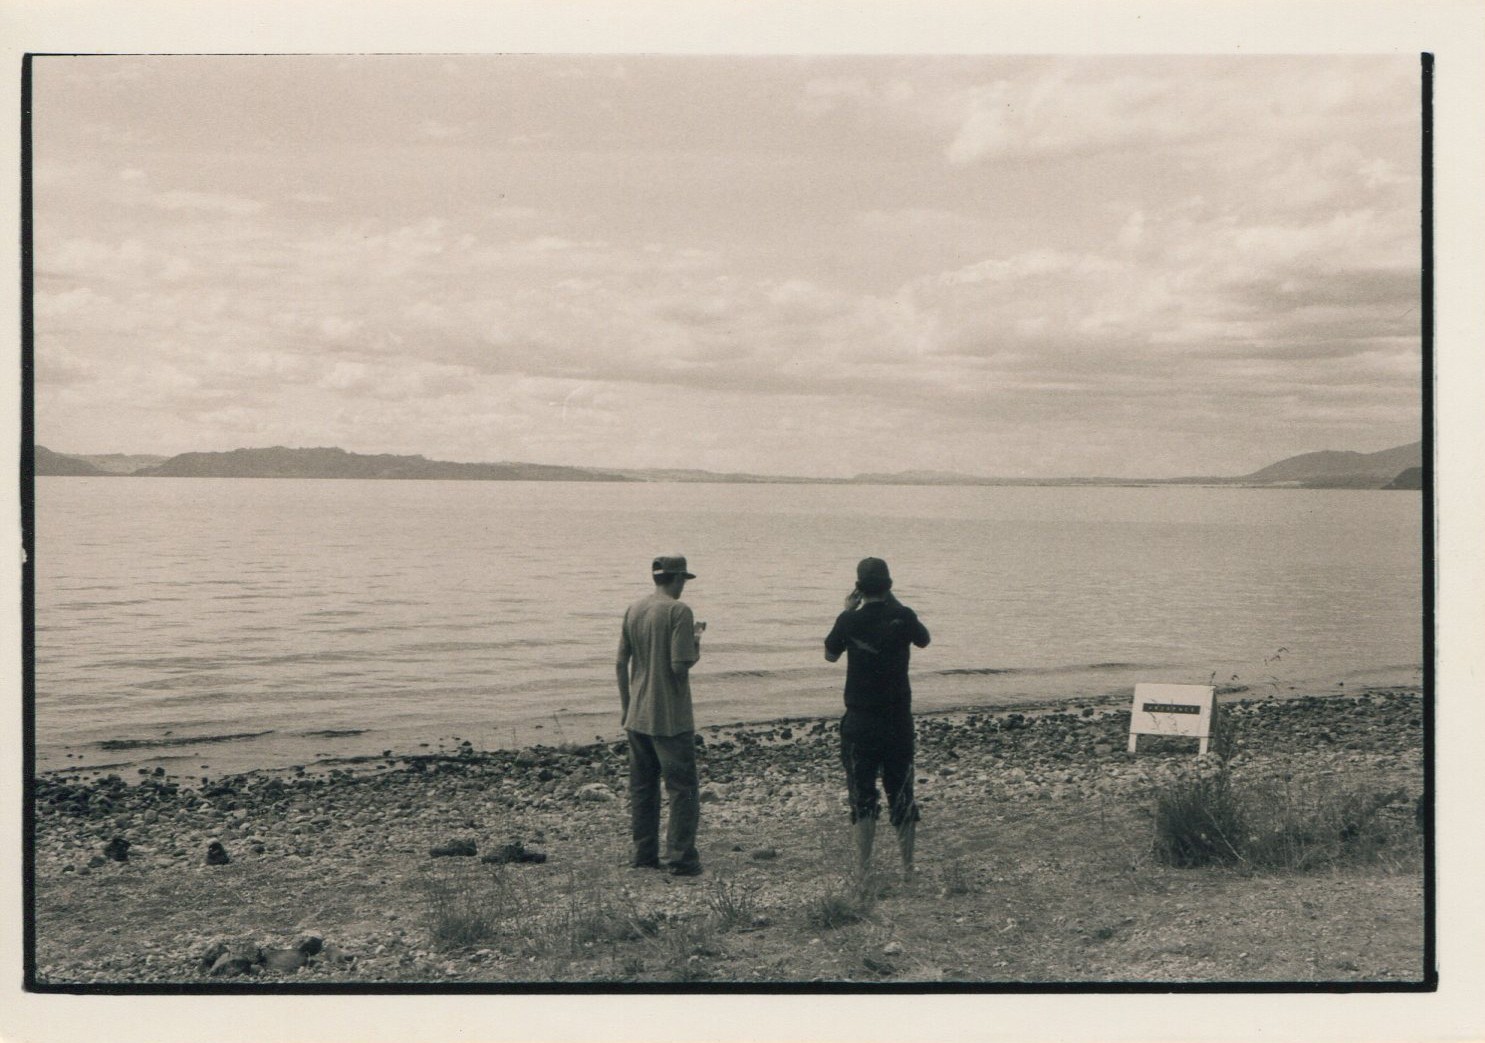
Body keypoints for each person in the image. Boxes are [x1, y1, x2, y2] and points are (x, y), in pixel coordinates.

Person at [824, 557, 931, 879]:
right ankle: (908, 868)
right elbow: (924, 640)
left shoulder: (848, 620)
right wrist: (892, 600)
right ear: (889, 586)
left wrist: (847, 609)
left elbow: (830, 655)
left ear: (859, 587)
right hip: (897, 721)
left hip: (860, 721)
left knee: (862, 795)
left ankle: (864, 870)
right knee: (902, 791)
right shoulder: (903, 616)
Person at [616, 554, 705, 877]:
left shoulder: (634, 609)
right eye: (683, 579)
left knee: (643, 788)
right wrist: (695, 641)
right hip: (669, 716)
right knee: (682, 789)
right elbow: (679, 666)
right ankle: (681, 858)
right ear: (678, 578)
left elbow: (620, 662)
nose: (683, 585)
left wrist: (626, 705)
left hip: (637, 714)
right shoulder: (678, 611)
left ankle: (644, 855)